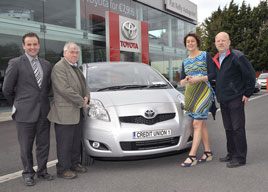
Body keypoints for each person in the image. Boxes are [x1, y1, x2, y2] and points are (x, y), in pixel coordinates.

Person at [2, 32, 54, 186]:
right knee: (25, 146)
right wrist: (18, 104)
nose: (32, 47)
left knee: (44, 144)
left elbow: (47, 88)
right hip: (24, 113)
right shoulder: (15, 63)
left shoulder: (46, 64)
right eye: (29, 44)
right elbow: (7, 89)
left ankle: (43, 171)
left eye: (35, 44)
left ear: (38, 45)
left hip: (44, 112)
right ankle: (28, 173)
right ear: (24, 46)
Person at [48, 42, 90, 179]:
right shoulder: (59, 68)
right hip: (64, 113)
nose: (74, 55)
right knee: (64, 143)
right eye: (72, 52)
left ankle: (74, 164)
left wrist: (87, 97)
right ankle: (63, 169)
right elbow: (64, 89)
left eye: (76, 52)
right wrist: (81, 101)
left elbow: (85, 86)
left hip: (77, 111)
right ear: (64, 53)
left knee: (75, 141)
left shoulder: (75, 68)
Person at [213, 32, 255, 168]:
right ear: (215, 43)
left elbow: (250, 75)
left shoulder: (237, 56)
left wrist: (247, 93)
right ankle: (231, 153)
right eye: (218, 41)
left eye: (223, 40)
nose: (220, 43)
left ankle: (240, 157)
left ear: (229, 42)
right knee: (229, 128)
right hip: (223, 99)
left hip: (236, 98)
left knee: (237, 128)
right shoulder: (217, 58)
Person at [180, 33, 216, 167]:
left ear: (197, 43)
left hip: (204, 92)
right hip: (191, 95)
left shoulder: (205, 55)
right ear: (186, 45)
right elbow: (182, 82)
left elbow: (213, 74)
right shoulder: (185, 61)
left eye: (192, 41)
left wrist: (198, 79)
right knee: (202, 124)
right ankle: (208, 153)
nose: (190, 43)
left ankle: (192, 156)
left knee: (196, 124)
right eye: (188, 41)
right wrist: (186, 80)